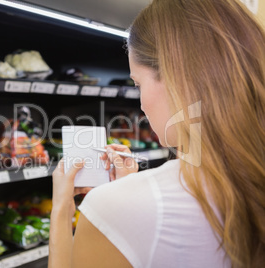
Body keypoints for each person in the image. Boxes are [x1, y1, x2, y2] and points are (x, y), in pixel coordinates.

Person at [48, 0, 265, 267]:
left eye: (138, 83)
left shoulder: (110, 206)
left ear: (177, 77)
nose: (140, 103)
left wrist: (61, 212)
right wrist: (127, 191)